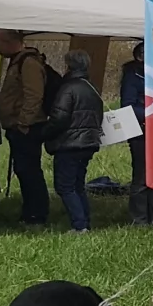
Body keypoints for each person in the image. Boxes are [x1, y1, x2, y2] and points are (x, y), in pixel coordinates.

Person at [0, 30, 52, 226]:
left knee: (29, 171)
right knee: (23, 169)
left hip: (28, 128)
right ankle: (30, 212)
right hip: (18, 126)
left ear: (9, 42)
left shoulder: (28, 63)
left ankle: (36, 215)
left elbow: (34, 95)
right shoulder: (18, 62)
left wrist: (23, 123)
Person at [44, 49, 105, 233]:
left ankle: (79, 226)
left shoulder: (68, 88)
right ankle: (85, 222)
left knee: (65, 186)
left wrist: (43, 132)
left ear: (68, 66)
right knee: (78, 185)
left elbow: (59, 118)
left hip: (69, 144)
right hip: (88, 143)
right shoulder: (91, 88)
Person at [120, 42, 153, 226]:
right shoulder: (132, 76)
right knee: (141, 176)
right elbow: (128, 105)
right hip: (141, 130)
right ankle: (139, 218)